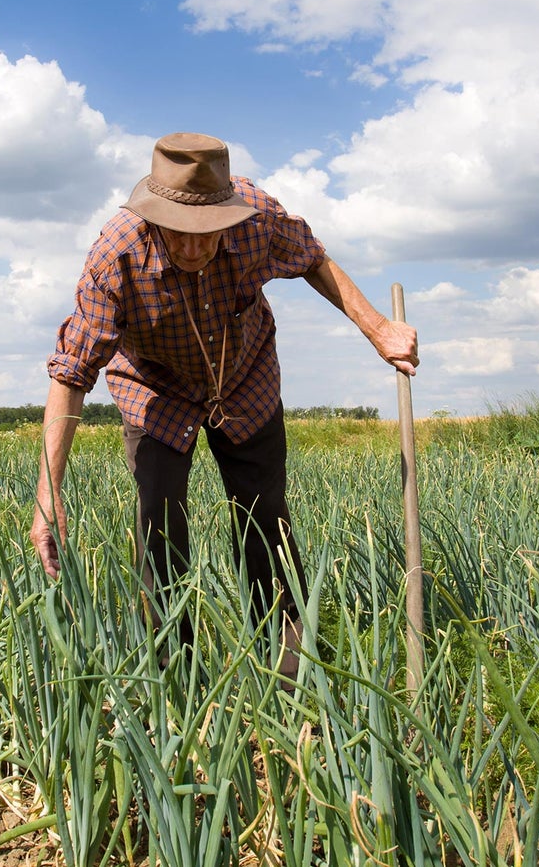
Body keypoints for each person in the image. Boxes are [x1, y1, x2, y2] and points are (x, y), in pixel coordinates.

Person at [33, 131, 419, 667]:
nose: (193, 248)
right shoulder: (115, 255)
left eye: (206, 232)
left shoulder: (257, 217)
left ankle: (291, 673)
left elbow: (313, 259)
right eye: (178, 234)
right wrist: (49, 493)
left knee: (266, 520)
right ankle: (175, 677)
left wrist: (377, 327)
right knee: (158, 524)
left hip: (244, 380)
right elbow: (72, 371)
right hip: (155, 391)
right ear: (153, 217)